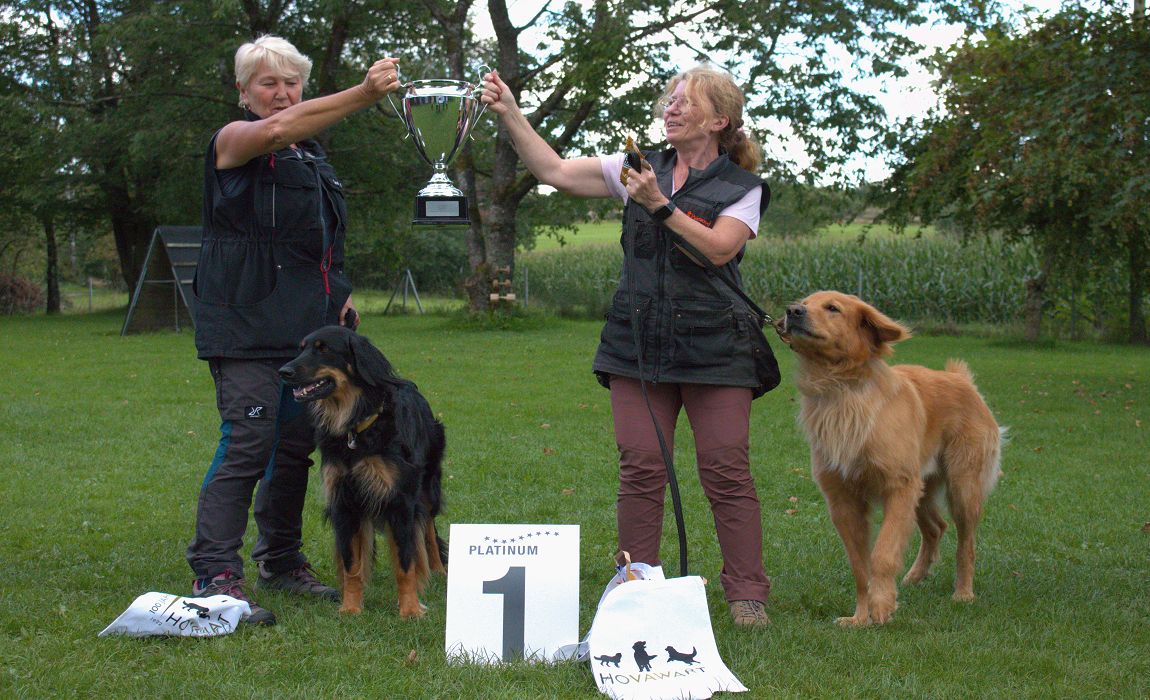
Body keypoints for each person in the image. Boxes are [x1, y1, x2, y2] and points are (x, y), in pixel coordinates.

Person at [481, 65, 773, 626]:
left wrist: (660, 205)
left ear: (719, 120)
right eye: (669, 98)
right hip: (637, 344)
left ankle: (746, 595)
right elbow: (555, 171)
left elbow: (717, 250)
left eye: (686, 101)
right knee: (640, 466)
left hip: (717, 348)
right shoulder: (636, 168)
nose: (672, 107)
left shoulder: (744, 188)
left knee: (725, 470)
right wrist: (510, 112)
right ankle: (638, 584)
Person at [187, 35, 402, 625]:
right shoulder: (231, 141)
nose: (281, 95)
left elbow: (320, 243)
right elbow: (275, 132)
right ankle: (215, 571)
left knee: (293, 449)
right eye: (267, 83)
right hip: (244, 323)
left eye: (290, 83)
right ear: (242, 90)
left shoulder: (314, 159)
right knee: (248, 442)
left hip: (306, 329)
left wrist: (342, 293)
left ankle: (281, 561)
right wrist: (362, 93)